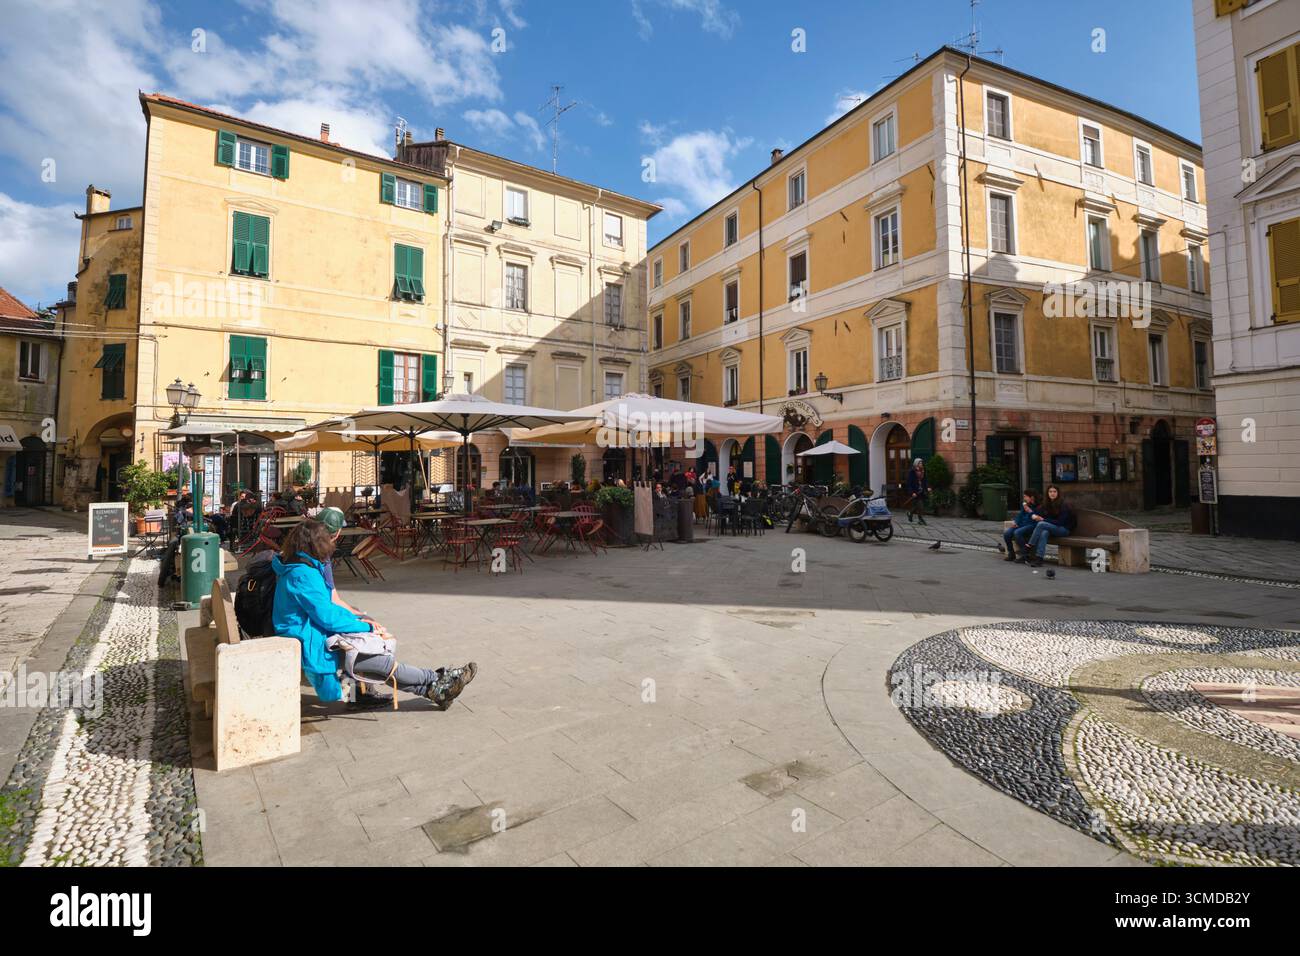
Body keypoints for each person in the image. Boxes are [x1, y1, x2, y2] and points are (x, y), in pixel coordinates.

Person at [271, 517, 476, 710]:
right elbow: (327, 615)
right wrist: (366, 625)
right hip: (309, 638)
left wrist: (358, 620)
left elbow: (326, 610)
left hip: (312, 632)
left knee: (372, 658)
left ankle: (435, 690)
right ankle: (437, 679)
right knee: (380, 662)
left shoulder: (300, 566)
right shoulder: (303, 573)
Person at [1025, 485, 1075, 568]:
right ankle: (1039, 559)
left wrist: (1043, 520)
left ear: (1058, 493)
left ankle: (1030, 545)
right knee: (1044, 533)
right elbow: (1037, 513)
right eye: (1050, 491)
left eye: (1054, 491)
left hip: (1064, 529)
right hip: (1053, 528)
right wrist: (1031, 512)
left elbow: (1060, 522)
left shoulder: (1064, 505)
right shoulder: (1047, 504)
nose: (1052, 493)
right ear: (1047, 493)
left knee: (1041, 524)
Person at [1002, 489, 1039, 563]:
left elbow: (1036, 518)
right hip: (1021, 524)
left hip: (1031, 525)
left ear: (1031, 497)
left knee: (1017, 532)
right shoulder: (1025, 505)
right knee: (1007, 533)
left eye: (1025, 497)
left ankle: (1024, 554)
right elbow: (1020, 515)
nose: (1024, 498)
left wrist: (1029, 511)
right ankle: (1011, 553)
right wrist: (1016, 522)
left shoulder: (1038, 506)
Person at [904, 458, 930, 526]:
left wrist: (927, 487)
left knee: (916, 505)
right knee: (920, 505)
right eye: (920, 463)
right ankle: (921, 520)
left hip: (921, 491)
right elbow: (909, 483)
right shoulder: (912, 472)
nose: (921, 464)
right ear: (916, 464)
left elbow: (925, 480)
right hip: (915, 492)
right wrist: (912, 492)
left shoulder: (923, 471)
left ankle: (910, 513)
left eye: (921, 463)